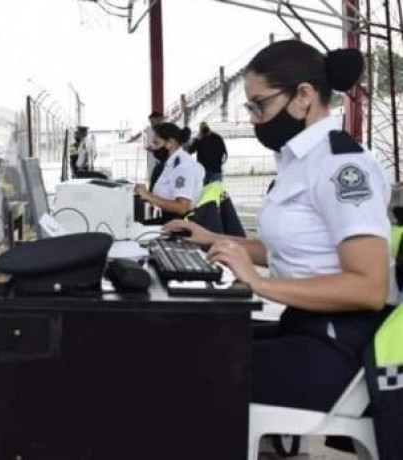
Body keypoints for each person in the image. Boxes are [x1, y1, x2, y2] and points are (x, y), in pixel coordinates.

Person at [164, 41, 395, 414]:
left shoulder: (342, 168)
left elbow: (368, 287)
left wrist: (260, 284)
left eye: (260, 105)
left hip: (338, 347)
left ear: (303, 96)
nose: (254, 119)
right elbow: (292, 250)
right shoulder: (301, 161)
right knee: (186, 344)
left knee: (185, 373)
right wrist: (211, 238)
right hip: (304, 325)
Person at [134, 123, 205, 224]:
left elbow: (182, 207)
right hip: (168, 219)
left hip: (178, 224)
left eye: (156, 143)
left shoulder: (182, 167)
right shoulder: (171, 163)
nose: (153, 148)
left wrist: (147, 195)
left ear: (170, 143)